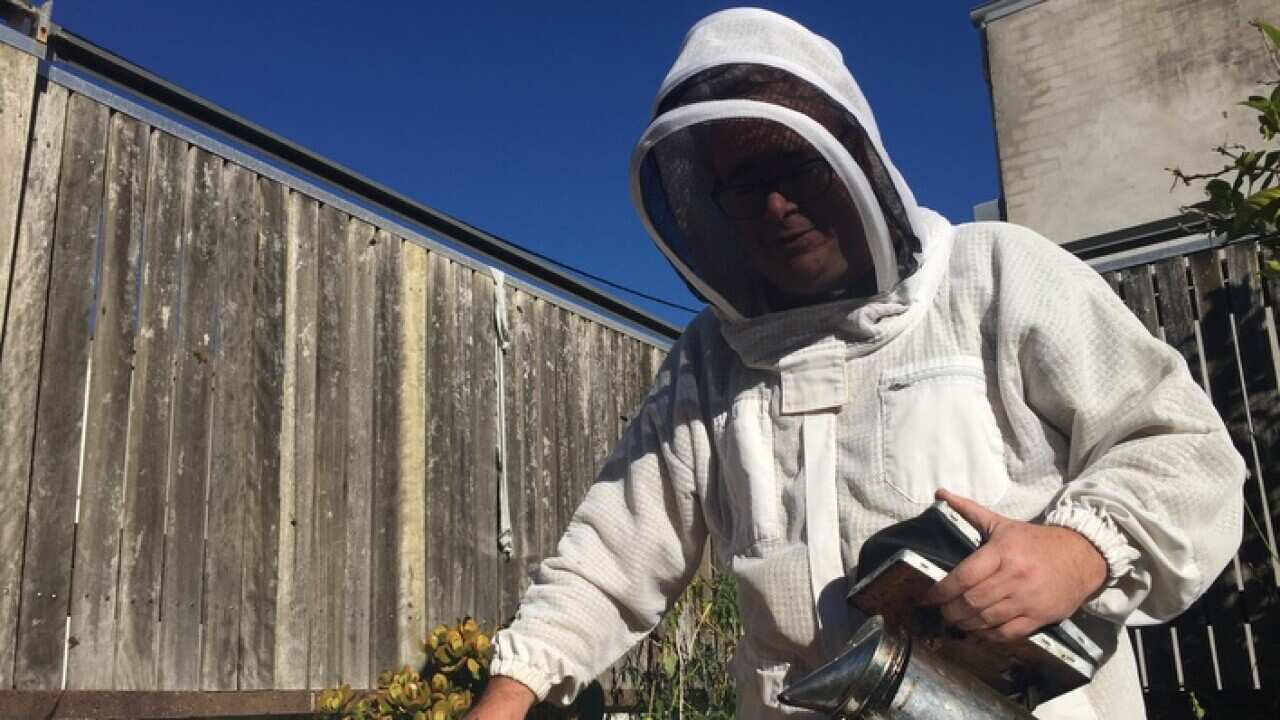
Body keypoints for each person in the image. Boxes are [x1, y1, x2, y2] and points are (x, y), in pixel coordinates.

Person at [466, 8, 1246, 719]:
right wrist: (507, 697)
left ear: (855, 158)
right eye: (745, 184)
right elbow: (610, 556)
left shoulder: (999, 274)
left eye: (795, 166)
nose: (777, 205)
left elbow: (1184, 450)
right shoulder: (712, 357)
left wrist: (1077, 552)